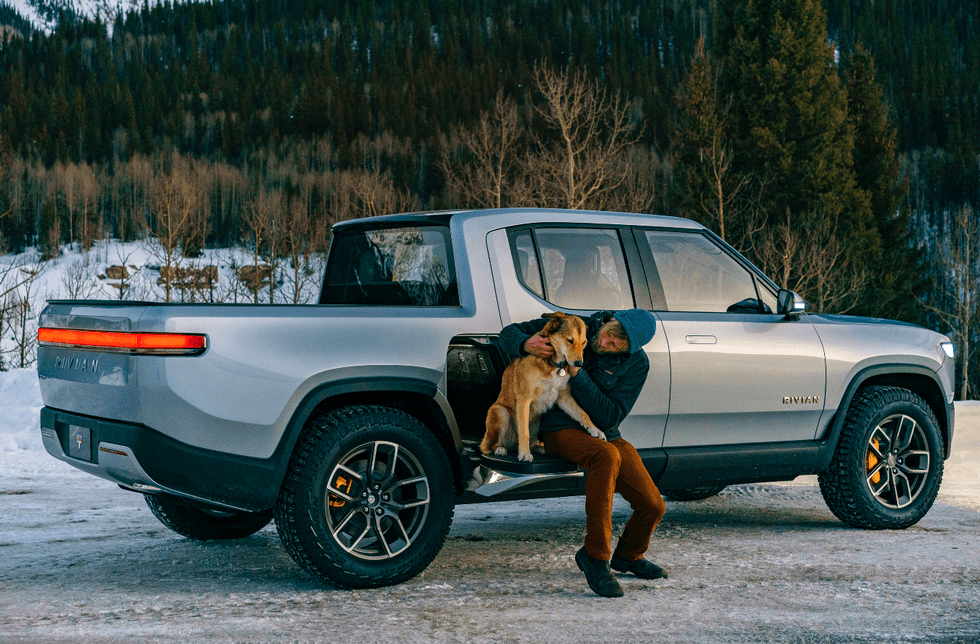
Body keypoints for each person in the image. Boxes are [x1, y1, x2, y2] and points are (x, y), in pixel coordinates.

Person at [497, 309, 667, 597]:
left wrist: (578, 372)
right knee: (605, 457)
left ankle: (628, 556)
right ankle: (595, 556)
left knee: (653, 505)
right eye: (611, 332)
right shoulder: (574, 326)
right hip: (557, 427)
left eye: (618, 343)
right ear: (611, 319)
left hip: (602, 431)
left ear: (631, 350)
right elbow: (508, 333)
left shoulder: (637, 364)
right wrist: (526, 343)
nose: (608, 341)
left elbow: (610, 416)